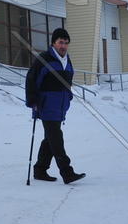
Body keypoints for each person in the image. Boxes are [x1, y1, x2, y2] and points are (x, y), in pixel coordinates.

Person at [25, 28, 86, 184]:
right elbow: (31, 79)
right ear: (53, 43)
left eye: (66, 43)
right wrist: (32, 100)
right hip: (46, 105)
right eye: (60, 42)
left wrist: (68, 96)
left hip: (60, 106)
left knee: (50, 139)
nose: (63, 46)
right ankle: (67, 172)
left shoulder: (67, 61)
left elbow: (67, 82)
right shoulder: (45, 58)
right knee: (56, 138)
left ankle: (40, 170)